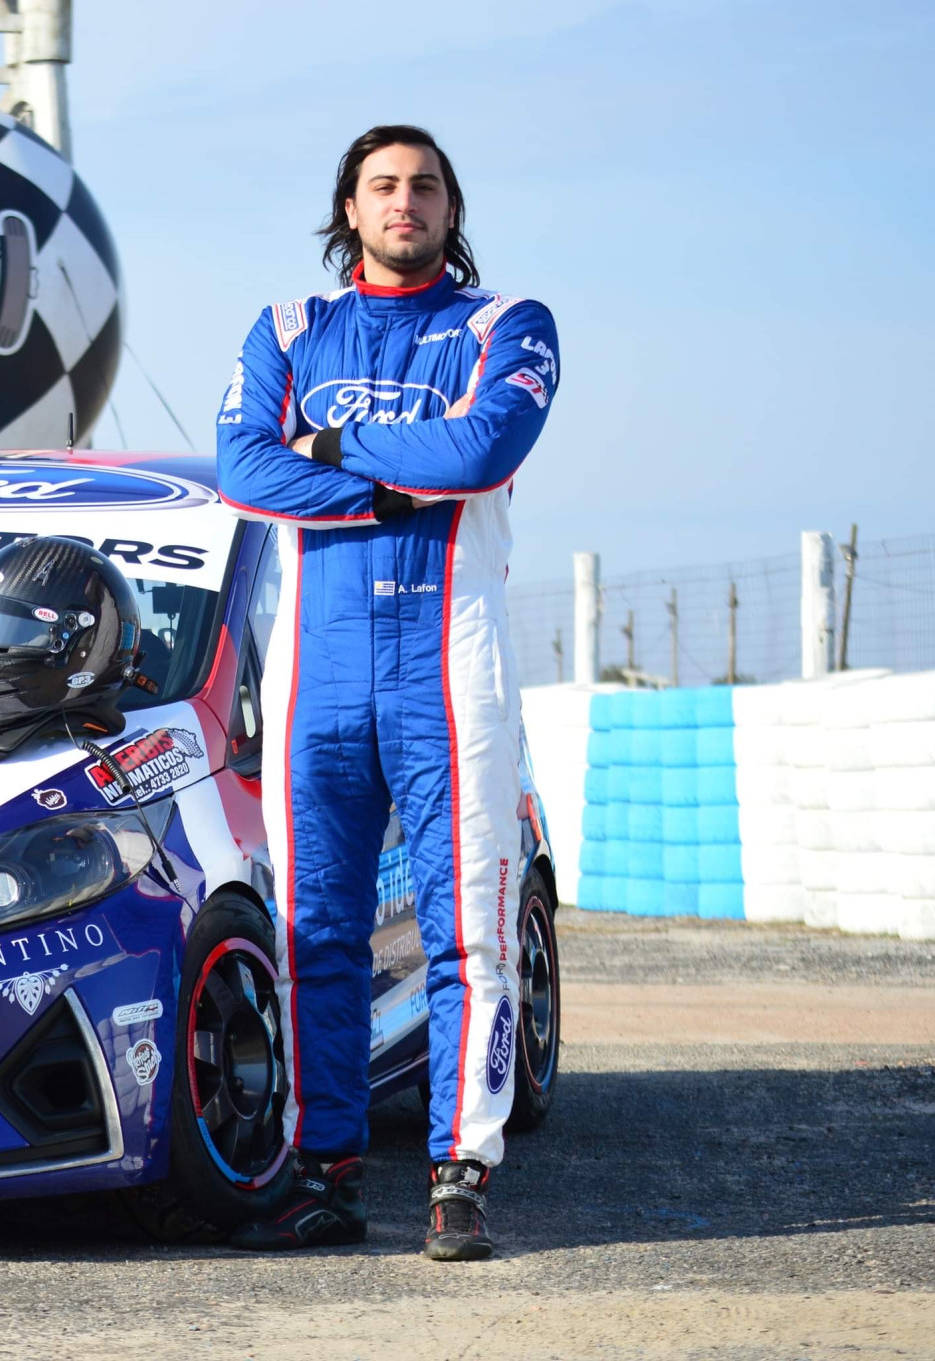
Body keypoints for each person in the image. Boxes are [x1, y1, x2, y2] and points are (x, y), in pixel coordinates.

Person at [213, 125, 560, 1261]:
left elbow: (482, 451)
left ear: (451, 209)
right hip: (315, 676)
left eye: (423, 186)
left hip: (449, 672)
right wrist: (388, 490)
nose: (403, 201)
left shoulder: (507, 324)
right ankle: (324, 1171)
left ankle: (460, 1175)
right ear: (348, 210)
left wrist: (329, 442)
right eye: (381, 186)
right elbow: (244, 468)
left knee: (468, 932)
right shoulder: (286, 328)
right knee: (316, 931)